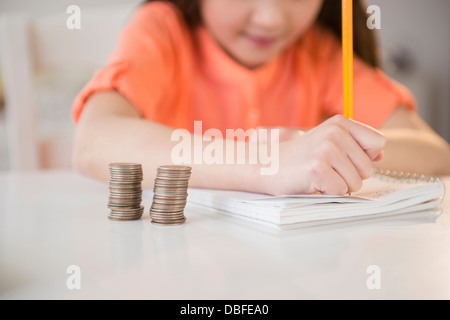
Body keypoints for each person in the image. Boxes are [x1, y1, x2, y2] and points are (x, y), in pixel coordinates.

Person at [71, 0, 450, 196]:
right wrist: (270, 162)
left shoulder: (319, 53)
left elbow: (435, 153)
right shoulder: (162, 31)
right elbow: (92, 141)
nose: (270, 18)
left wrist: (315, 149)